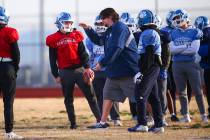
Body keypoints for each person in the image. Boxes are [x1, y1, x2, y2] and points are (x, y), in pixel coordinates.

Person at [80, 7, 139, 129]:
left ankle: (155, 119)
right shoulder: (111, 29)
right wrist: (88, 29)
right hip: (115, 71)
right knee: (107, 95)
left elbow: (117, 48)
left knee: (139, 96)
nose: (102, 22)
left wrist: (102, 63)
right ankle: (102, 122)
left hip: (127, 70)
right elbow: (100, 41)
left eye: (103, 18)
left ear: (110, 17)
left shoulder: (120, 28)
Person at [46, 12, 101, 129]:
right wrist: (55, 74)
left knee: (91, 96)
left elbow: (83, 53)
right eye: (66, 22)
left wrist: (87, 68)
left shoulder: (76, 34)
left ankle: (100, 120)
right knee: (68, 99)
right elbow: (52, 59)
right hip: (65, 72)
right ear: (60, 23)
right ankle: (73, 124)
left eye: (70, 22)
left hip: (80, 70)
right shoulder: (53, 39)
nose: (68, 24)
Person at [128, 9, 164, 133]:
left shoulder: (148, 33)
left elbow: (149, 54)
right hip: (153, 66)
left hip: (150, 66)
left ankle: (142, 124)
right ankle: (159, 125)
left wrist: (142, 72)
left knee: (140, 94)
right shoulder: (150, 32)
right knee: (154, 97)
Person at [170, 9, 208, 123]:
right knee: (181, 91)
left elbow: (194, 49)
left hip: (191, 64)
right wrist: (187, 45)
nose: (176, 20)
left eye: (178, 17)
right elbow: (172, 50)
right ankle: (186, 115)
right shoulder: (173, 32)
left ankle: (203, 114)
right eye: (175, 18)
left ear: (185, 17)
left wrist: (179, 49)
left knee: (197, 90)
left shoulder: (195, 31)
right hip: (177, 64)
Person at [85, 15, 122, 126]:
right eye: (98, 24)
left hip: (109, 69)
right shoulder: (90, 40)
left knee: (112, 94)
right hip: (96, 69)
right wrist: (90, 68)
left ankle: (116, 117)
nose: (100, 26)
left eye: (101, 23)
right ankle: (104, 117)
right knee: (100, 95)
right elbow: (92, 55)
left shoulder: (110, 37)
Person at [0, 6, 23, 139]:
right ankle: (9, 132)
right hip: (7, 67)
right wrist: (15, 68)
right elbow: (16, 54)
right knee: (8, 102)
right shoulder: (10, 32)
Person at [120, 12, 138, 120]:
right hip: (127, 69)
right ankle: (135, 114)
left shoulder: (139, 35)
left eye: (130, 26)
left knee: (140, 93)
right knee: (132, 93)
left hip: (139, 68)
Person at [155, 14, 171, 126]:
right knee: (151, 93)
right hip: (150, 69)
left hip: (160, 68)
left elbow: (167, 53)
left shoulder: (163, 35)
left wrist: (164, 67)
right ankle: (152, 116)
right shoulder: (144, 34)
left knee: (161, 93)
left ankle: (163, 116)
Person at [195, 16, 210, 119]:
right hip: (207, 66)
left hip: (208, 66)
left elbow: (202, 51)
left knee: (208, 90)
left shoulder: (205, 33)